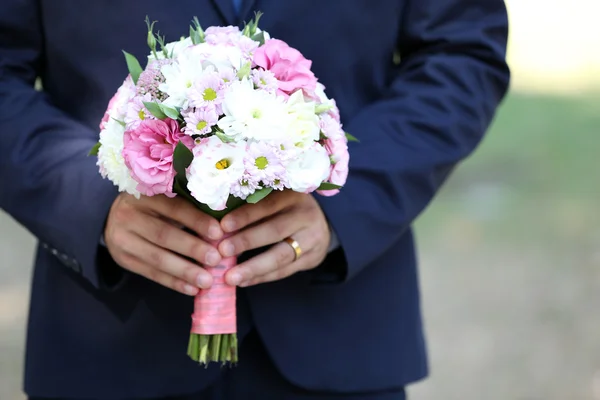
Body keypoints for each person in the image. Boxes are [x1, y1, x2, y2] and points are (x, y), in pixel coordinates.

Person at [0, 0, 510, 399]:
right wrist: (87, 201)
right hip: (110, 338)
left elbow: (460, 51)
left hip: (337, 335)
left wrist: (339, 194)